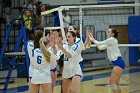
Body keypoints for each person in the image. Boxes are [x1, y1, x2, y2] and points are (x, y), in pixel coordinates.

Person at [88, 28, 125, 93]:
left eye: (108, 32)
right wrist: (93, 39)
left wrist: (91, 39)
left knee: (112, 83)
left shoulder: (111, 39)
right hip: (119, 63)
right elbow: (100, 47)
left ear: (112, 34)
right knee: (116, 83)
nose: (107, 32)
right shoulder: (111, 41)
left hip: (118, 63)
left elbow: (99, 43)